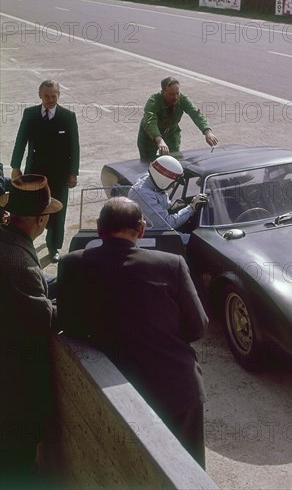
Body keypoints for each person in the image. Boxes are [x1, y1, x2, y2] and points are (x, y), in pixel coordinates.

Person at [57, 197, 209, 468]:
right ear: (140, 229)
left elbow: (70, 323)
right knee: (187, 470)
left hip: (114, 393)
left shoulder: (71, 265)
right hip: (176, 390)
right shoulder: (171, 264)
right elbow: (198, 327)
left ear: (99, 229)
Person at [0, 175, 62, 487]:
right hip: (11, 396)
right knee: (15, 465)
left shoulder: (7, 239)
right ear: (40, 219)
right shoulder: (16, 262)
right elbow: (43, 319)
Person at [10, 79, 80, 262]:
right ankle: (26, 243)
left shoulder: (68, 116)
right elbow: (21, 141)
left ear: (59, 95)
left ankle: (54, 246)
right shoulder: (30, 114)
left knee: (57, 212)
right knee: (30, 209)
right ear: (39, 95)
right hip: (34, 173)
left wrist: (73, 173)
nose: (50, 100)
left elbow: (74, 147)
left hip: (59, 175)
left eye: (54, 96)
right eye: (46, 96)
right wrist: (15, 167)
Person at [137, 76, 218, 162]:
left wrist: (207, 132)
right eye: (171, 94)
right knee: (147, 164)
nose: (175, 97)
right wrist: (159, 140)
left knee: (174, 161)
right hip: (150, 137)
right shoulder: (153, 101)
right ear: (163, 92)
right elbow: (150, 122)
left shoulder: (182, 99)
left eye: (177, 93)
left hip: (171, 134)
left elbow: (195, 114)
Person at [128, 155, 206, 242]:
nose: (173, 186)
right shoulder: (143, 194)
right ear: (162, 180)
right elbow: (165, 225)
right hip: (152, 237)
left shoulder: (154, 181)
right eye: (172, 183)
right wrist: (191, 208)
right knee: (195, 241)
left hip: (161, 229)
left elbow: (165, 206)